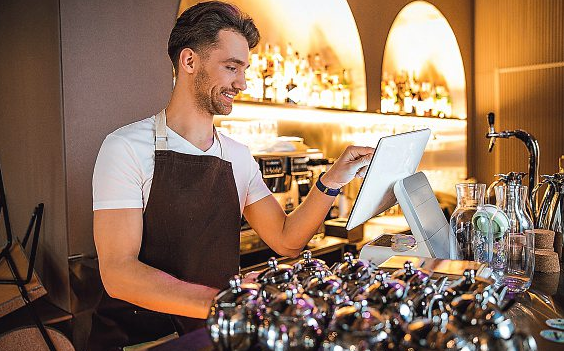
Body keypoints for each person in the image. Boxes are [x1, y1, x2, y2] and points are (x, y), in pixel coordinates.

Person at [87, 1, 373, 350]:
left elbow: (286, 239)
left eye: (244, 69)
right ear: (189, 61)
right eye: (231, 67)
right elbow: (119, 273)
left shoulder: (236, 155)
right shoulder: (126, 147)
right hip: (141, 341)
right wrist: (228, 300)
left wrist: (334, 179)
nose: (242, 83)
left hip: (215, 332)